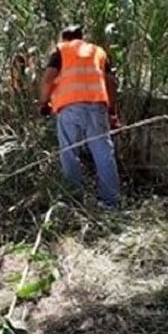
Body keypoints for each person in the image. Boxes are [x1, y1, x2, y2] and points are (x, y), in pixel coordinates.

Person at [38, 25, 121, 208]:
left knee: (69, 154)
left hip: (70, 109)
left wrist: (43, 103)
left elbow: (48, 78)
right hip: (97, 107)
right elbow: (111, 82)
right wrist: (112, 110)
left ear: (64, 38)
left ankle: (74, 199)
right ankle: (111, 201)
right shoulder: (98, 52)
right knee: (104, 153)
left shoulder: (62, 50)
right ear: (82, 37)